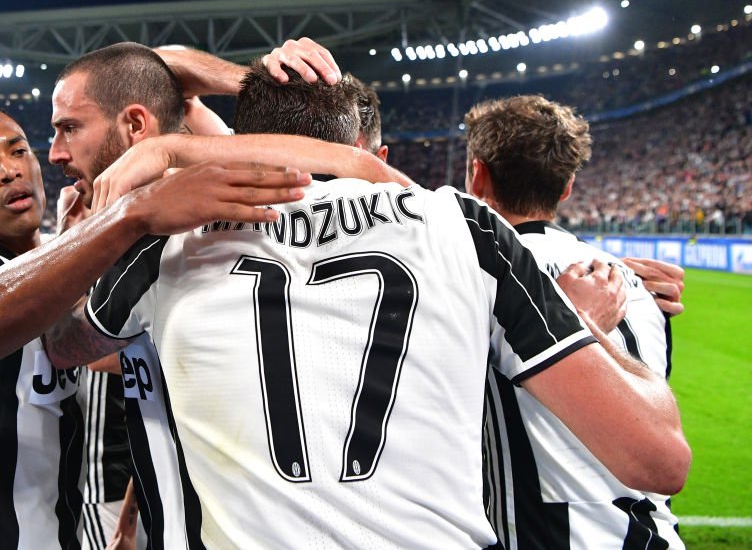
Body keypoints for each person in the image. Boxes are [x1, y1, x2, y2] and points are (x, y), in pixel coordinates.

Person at [48, 61, 690, 548]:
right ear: (370, 152)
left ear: (243, 140)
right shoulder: (460, 227)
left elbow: (67, 345)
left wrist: (166, 158)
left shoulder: (169, 232)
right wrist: (578, 322)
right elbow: (657, 459)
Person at [0, 93, 309, 548]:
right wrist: (129, 215)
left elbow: (144, 372)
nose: (9, 170)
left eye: (18, 151)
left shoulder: (68, 269)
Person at [48, 40, 405, 548]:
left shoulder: (190, 219)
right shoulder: (431, 227)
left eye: (69, 128)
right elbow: (159, 382)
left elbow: (71, 347)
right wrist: (262, 82)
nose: (56, 152)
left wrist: (70, 247)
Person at [463, 95, 685, 548]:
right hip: (654, 534)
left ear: (477, 174)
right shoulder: (638, 286)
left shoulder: (471, 278)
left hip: (550, 538)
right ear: (566, 187)